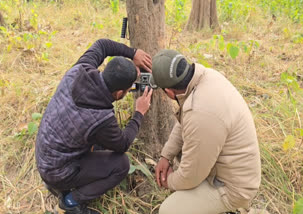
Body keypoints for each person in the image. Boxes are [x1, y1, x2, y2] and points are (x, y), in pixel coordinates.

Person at [35, 39, 153, 214]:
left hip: (46, 156)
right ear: (119, 93)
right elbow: (123, 144)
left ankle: (60, 183)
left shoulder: (80, 69)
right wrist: (139, 113)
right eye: (128, 90)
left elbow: (102, 45)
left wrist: (133, 53)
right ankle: (71, 201)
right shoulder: (101, 118)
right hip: (56, 171)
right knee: (121, 165)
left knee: (100, 143)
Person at [152, 50, 261, 214]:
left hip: (234, 189)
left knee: (168, 210)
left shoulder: (200, 113)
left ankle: (234, 208)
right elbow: (185, 122)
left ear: (168, 92)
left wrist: (168, 181)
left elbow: (190, 177)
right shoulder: (206, 76)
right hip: (234, 169)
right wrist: (166, 155)